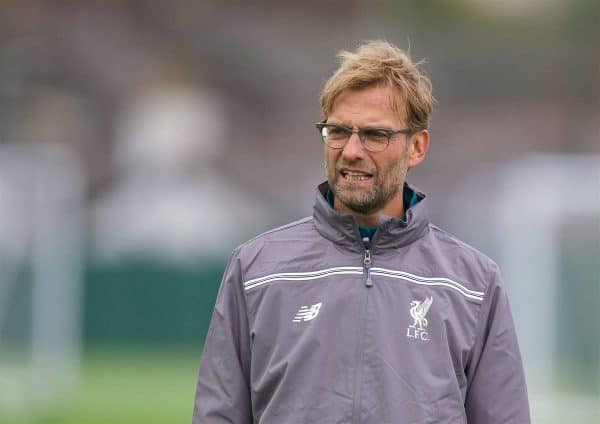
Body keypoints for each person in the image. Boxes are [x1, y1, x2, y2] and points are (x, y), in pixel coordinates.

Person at [193, 40, 530, 423]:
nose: (351, 150)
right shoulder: (257, 271)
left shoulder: (473, 283)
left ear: (416, 147)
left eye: (374, 135)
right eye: (338, 131)